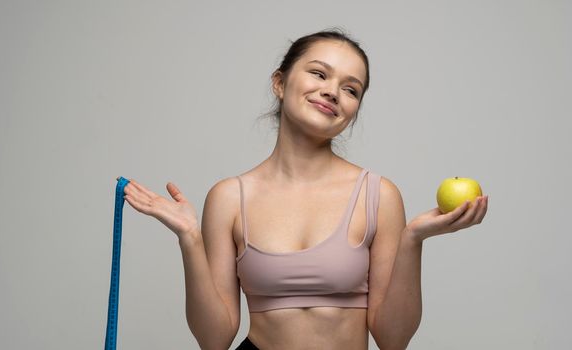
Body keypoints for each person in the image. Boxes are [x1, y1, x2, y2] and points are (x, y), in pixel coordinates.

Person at [121, 29, 489, 350]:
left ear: (354, 109)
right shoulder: (229, 197)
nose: (332, 92)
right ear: (280, 83)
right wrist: (190, 239)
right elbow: (213, 340)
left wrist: (412, 239)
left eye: (350, 89)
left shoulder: (379, 195)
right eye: (318, 73)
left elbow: (393, 340)